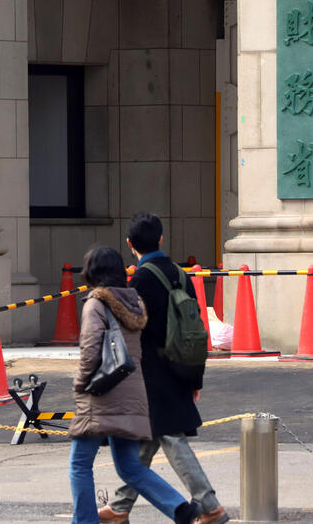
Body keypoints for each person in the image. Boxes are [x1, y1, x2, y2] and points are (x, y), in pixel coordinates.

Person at [98, 213, 228, 524]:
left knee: (170, 436)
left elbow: (132, 329)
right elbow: (194, 327)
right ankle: (119, 506)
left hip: (152, 372)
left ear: (130, 245)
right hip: (180, 366)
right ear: (160, 239)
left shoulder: (141, 279)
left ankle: (209, 506)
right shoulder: (180, 275)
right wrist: (194, 375)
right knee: (150, 438)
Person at [69, 244, 199, 524]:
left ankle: (84, 522)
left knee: (79, 464)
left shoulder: (95, 304)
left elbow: (90, 352)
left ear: (91, 273)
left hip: (101, 395)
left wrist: (79, 384)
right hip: (132, 394)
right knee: (130, 466)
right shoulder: (133, 302)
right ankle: (181, 508)